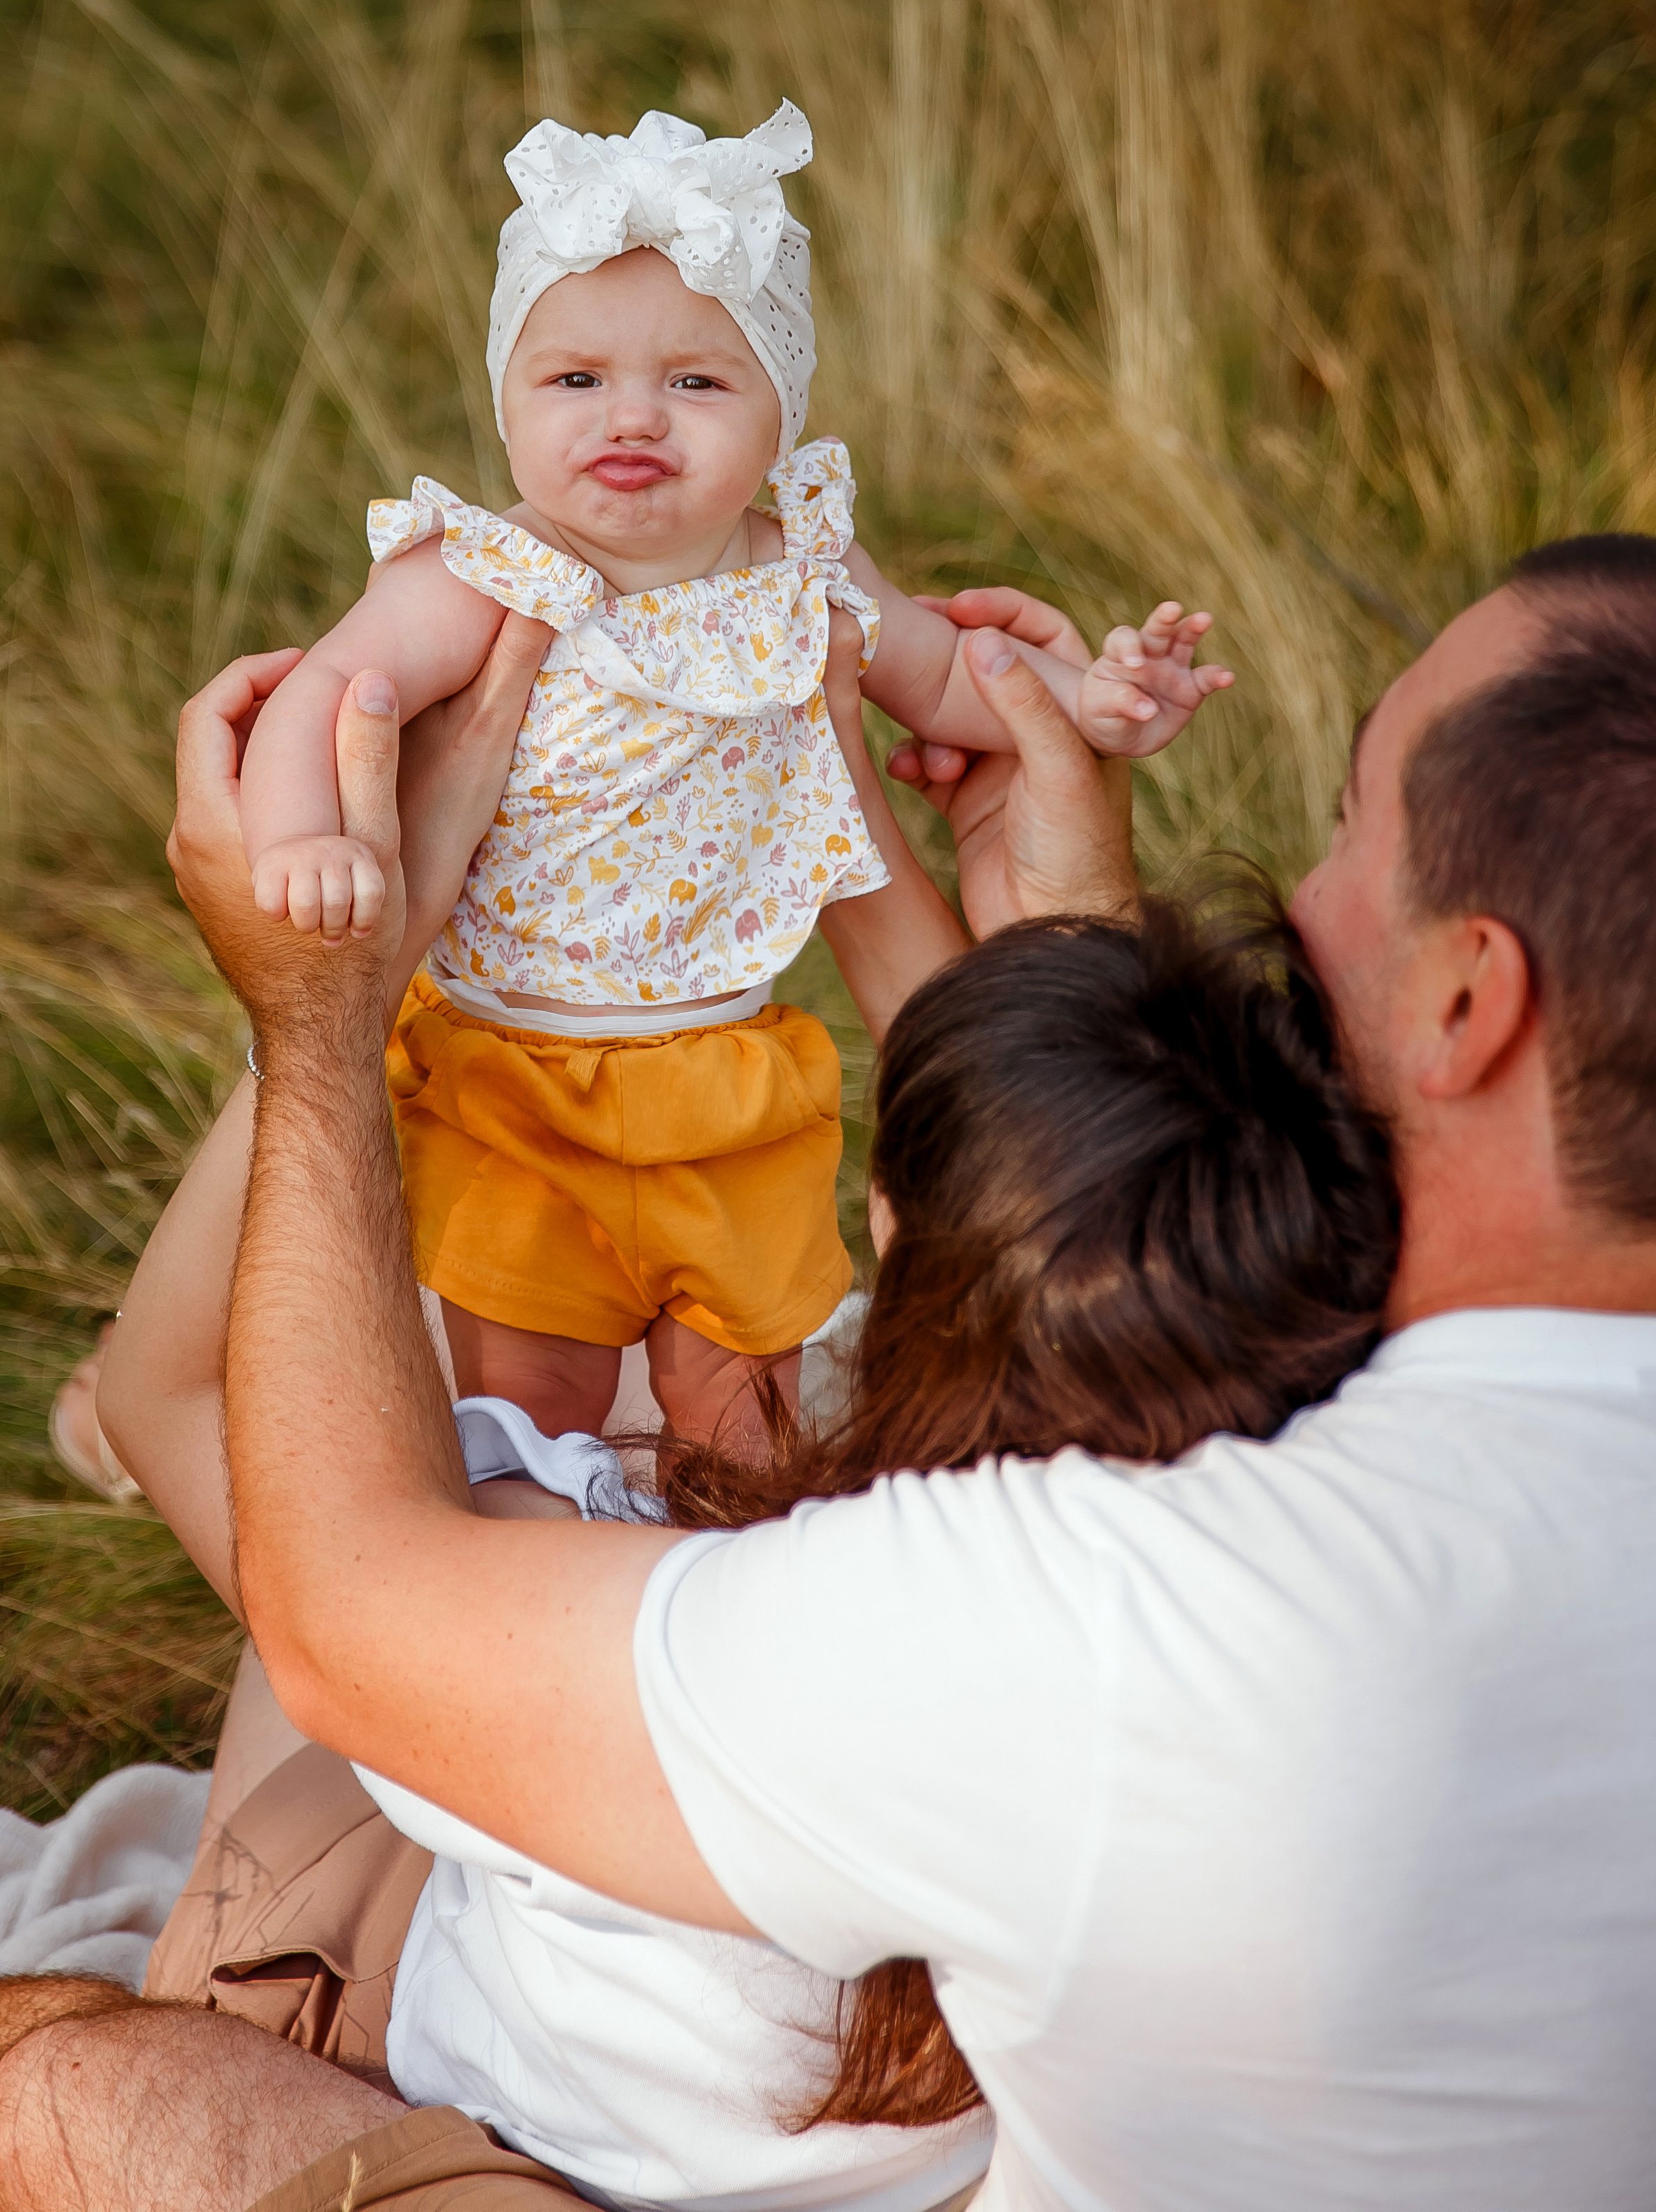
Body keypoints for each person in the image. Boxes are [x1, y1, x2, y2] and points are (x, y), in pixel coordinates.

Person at [0, 534, 1656, 2212]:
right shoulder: (1369, 1375)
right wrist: (1043, 929)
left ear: (1471, 1004)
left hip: (435, 1947)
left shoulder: (1125, 1624)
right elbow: (1077, 1280)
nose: (1302, 897)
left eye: (1344, 829)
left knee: (38, 2081)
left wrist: (333, 1005)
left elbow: (341, 1590)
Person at [226, 98, 1229, 1451]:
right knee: (529, 1405)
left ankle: (721, 1532)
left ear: (779, 412)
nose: (632, 416)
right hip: (514, 1075)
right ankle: (533, 1563)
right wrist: (304, 839)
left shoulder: (798, 565)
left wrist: (1089, 703)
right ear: (508, 403)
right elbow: (321, 697)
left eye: (696, 382)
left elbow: (941, 671)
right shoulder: (481, 572)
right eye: (574, 380)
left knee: (742, 1409)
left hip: (728, 1072)